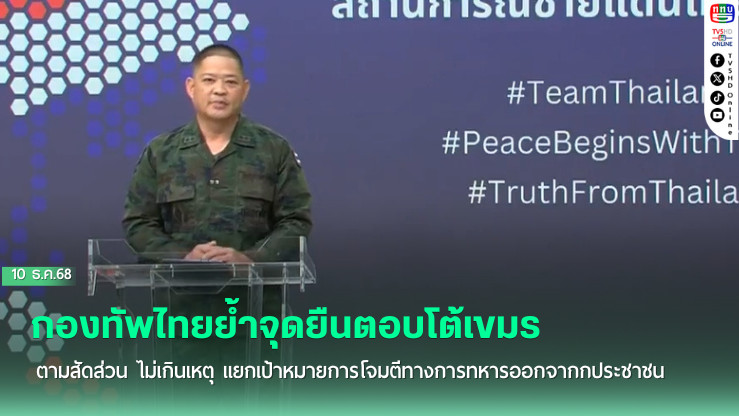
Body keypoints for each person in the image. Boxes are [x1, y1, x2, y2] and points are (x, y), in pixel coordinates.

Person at [120, 44, 312, 379]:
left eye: (230, 82)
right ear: (191, 87)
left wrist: (250, 259)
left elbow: (296, 220)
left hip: (254, 317)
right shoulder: (161, 153)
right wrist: (183, 257)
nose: (219, 90)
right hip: (180, 318)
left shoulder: (274, 150)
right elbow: (138, 223)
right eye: (209, 80)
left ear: (245, 89)